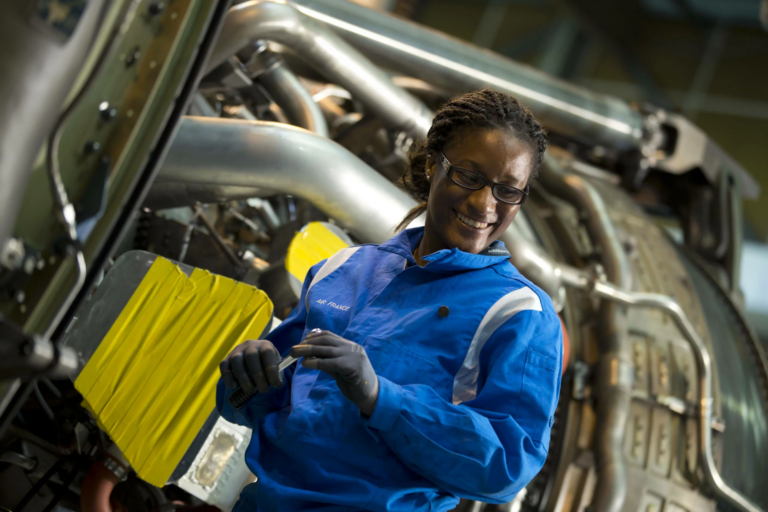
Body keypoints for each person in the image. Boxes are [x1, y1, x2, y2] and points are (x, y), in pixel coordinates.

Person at [218, 89, 563, 512]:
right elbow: (270, 408)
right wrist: (248, 376)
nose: (484, 203)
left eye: (508, 191)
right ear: (433, 164)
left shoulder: (519, 313)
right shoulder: (343, 269)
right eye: (469, 177)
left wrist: (380, 397)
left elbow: (506, 468)